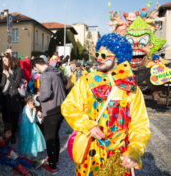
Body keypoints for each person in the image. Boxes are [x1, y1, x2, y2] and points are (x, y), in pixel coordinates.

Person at [61, 33, 151, 176]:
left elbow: (140, 124)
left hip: (120, 157)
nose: (98, 58)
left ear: (118, 57)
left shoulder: (132, 89)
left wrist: (134, 150)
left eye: (104, 55)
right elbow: (69, 106)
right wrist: (88, 125)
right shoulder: (87, 81)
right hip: (91, 155)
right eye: (97, 54)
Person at [32, 57, 66, 174]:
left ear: (37, 65)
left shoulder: (45, 76)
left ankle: (52, 166)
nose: (36, 71)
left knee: (49, 138)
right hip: (61, 108)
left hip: (51, 110)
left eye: (35, 69)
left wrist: (37, 97)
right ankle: (54, 159)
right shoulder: (56, 71)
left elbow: (45, 95)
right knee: (54, 134)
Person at [0, 53, 23, 144]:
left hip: (14, 97)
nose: (4, 62)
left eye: (5, 60)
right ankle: (7, 135)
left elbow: (15, 85)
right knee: (6, 117)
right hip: (5, 96)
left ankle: (13, 136)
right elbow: (2, 83)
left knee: (13, 118)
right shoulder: (5, 69)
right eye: (3, 61)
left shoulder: (18, 70)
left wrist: (8, 75)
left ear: (10, 60)